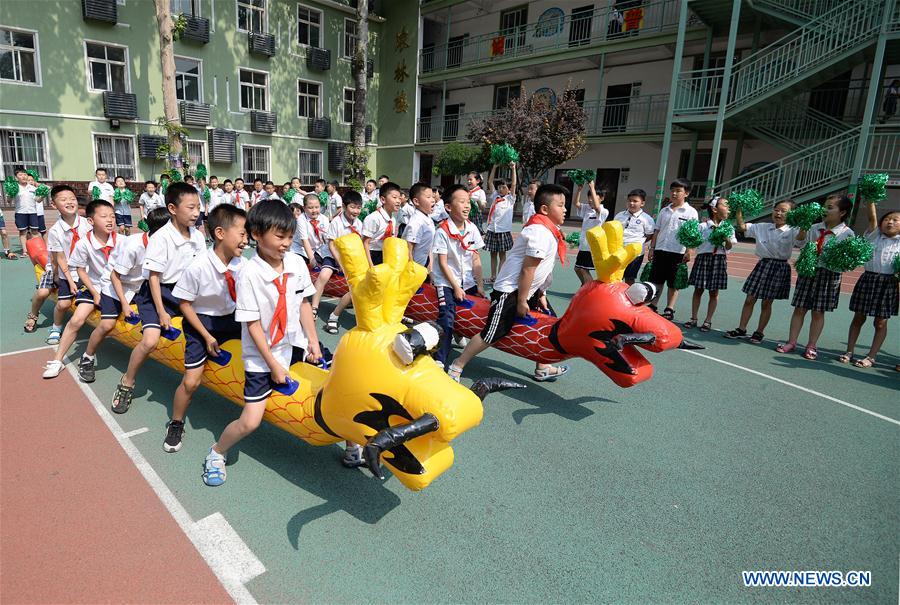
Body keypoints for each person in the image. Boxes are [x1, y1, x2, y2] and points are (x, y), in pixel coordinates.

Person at [202, 200, 321, 486]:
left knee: (325, 385)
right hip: (262, 356)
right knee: (251, 421)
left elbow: (304, 303)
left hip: (294, 344)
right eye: (280, 236)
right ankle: (217, 452)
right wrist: (273, 366)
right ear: (256, 234)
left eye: (290, 237)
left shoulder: (295, 262)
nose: (286, 243)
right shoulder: (249, 274)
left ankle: (353, 443)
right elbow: (252, 325)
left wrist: (313, 342)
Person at [447, 184, 570, 383]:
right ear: (545, 209)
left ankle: (543, 367)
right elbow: (528, 269)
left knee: (548, 321)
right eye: (561, 205)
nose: (565, 209)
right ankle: (457, 365)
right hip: (510, 291)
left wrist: (541, 294)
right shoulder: (539, 231)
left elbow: (541, 270)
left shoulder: (549, 230)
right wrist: (522, 301)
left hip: (528, 290)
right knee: (494, 331)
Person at [110, 182, 206, 414]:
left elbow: (202, 270)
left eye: (198, 207)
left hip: (186, 292)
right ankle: (127, 381)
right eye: (191, 207)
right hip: (157, 294)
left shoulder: (198, 236)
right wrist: (162, 311)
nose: (197, 213)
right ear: (173, 208)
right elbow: (153, 278)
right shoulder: (161, 237)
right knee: (151, 340)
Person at [166, 205, 247, 453]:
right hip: (202, 322)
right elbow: (184, 304)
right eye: (242, 233)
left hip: (231, 319)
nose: (246, 239)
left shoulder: (242, 265)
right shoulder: (198, 266)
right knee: (191, 382)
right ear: (220, 233)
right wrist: (206, 335)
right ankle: (176, 422)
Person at [42, 199, 117, 379]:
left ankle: (86, 356)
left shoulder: (122, 241)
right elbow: (81, 270)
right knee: (76, 320)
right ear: (90, 221)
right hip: (94, 285)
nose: (110, 220)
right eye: (104, 216)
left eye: (113, 216)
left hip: (116, 288)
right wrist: (95, 293)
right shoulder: (84, 243)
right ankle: (58, 360)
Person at [776, 194, 854, 360]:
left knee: (818, 312)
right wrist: (804, 227)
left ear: (842, 212)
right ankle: (792, 341)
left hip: (829, 275)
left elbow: (847, 263)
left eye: (831, 207)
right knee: (800, 308)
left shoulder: (847, 234)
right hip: (809, 271)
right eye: (825, 206)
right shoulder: (814, 227)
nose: (825, 210)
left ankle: (811, 345)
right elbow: (799, 244)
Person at [725, 200, 801, 343]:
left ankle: (759, 332)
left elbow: (802, 239)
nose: (778, 213)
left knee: (767, 302)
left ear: (792, 214)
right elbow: (742, 227)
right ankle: (741, 329)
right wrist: (739, 209)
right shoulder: (762, 227)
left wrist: (804, 222)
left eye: (783, 211)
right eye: (776, 209)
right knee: (749, 299)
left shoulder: (793, 230)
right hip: (762, 265)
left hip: (779, 267)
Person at [838, 202, 899, 368]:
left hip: (889, 284)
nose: (890, 222)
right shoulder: (874, 235)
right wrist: (870, 199)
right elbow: (872, 217)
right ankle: (849, 351)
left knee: (880, 322)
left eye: (895, 220)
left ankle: (871, 356)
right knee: (858, 317)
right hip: (868, 280)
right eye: (887, 219)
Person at [431, 184, 486, 369]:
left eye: (468, 202)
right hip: (447, 282)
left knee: (480, 308)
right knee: (446, 316)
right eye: (461, 202)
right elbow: (443, 263)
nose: (467, 206)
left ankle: (460, 334)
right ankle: (440, 358)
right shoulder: (442, 231)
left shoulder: (472, 229)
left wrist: (479, 285)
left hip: (468, 280)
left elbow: (476, 258)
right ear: (448, 207)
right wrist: (455, 287)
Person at [42, 185, 92, 344]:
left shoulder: (87, 224)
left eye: (72, 199)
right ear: (54, 205)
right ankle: (56, 327)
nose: (69, 202)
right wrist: (69, 281)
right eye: (63, 200)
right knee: (63, 304)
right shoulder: (56, 231)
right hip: (68, 272)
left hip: (89, 270)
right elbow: (60, 259)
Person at [312, 191, 363, 332]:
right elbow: (331, 245)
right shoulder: (336, 222)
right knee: (324, 275)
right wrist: (340, 263)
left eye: (359, 208)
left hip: (349, 257)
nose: (356, 211)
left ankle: (336, 313)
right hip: (332, 254)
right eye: (353, 207)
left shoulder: (358, 223)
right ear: (345, 207)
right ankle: (314, 307)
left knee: (358, 285)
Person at [648, 178, 698, 319]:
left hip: (677, 252)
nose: (674, 193)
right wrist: (652, 248)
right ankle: (653, 304)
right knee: (657, 280)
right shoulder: (664, 210)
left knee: (673, 282)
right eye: (673, 190)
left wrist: (689, 250)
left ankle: (669, 308)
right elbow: (657, 231)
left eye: (678, 191)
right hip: (660, 250)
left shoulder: (691, 212)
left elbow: (692, 233)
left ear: (686, 193)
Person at [685, 197, 736, 332]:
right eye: (726, 206)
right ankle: (694, 318)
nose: (728, 209)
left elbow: (730, 246)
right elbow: (694, 242)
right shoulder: (702, 226)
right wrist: (688, 251)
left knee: (714, 292)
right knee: (698, 289)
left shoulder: (729, 227)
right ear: (714, 209)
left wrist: (725, 237)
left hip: (719, 259)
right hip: (703, 258)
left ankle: (708, 321)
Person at [613, 188, 655, 284]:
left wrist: (639, 242)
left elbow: (650, 234)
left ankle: (628, 298)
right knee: (615, 276)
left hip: (636, 254)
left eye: (635, 201)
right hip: (619, 251)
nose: (631, 203)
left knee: (629, 277)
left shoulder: (647, 219)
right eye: (629, 201)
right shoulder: (619, 215)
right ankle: (615, 297)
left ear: (642, 203)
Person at [484, 162, 517, 284]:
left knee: (502, 255)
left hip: (503, 231)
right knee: (493, 254)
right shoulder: (495, 197)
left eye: (503, 187)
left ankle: (500, 277)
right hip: (492, 230)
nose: (500, 189)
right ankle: (493, 277)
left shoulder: (510, 199)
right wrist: (494, 167)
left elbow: (514, 183)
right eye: (500, 187)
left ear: (508, 189)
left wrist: (513, 168)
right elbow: (490, 182)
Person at [573, 180, 609, 286]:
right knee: (577, 268)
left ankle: (590, 289)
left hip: (591, 246)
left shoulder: (603, 211)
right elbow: (576, 203)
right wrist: (579, 190)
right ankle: (585, 286)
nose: (590, 200)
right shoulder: (587, 208)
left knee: (584, 269)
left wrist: (592, 188)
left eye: (593, 197)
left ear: (601, 199)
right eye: (589, 197)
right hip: (583, 245)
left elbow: (597, 207)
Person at [362, 181, 400, 266]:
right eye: (394, 197)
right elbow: (365, 242)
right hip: (372, 254)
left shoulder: (393, 219)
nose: (398, 201)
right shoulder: (373, 218)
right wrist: (370, 264)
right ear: (383, 199)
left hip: (386, 253)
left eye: (399, 198)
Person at [402, 182, 436, 269]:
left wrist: (430, 263)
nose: (433, 200)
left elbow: (429, 245)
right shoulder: (416, 223)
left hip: (424, 264)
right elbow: (408, 249)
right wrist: (412, 271)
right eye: (428, 197)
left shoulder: (428, 218)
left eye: (433, 196)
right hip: (414, 268)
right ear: (416, 201)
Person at [11, 168, 39, 255]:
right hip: (20, 212)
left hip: (32, 212)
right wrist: (10, 194)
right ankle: (25, 251)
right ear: (16, 177)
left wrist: (42, 195)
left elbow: (38, 200)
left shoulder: (32, 188)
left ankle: (36, 249)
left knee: (35, 231)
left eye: (25, 174)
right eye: (20, 174)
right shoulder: (14, 187)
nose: (23, 176)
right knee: (23, 232)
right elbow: (9, 200)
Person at [296, 193, 329, 266]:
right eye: (310, 208)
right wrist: (311, 259)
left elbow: (327, 239)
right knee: (299, 264)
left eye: (317, 207)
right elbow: (304, 240)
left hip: (318, 249)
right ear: (304, 208)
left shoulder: (324, 219)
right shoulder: (301, 219)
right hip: (301, 249)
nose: (314, 210)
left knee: (328, 262)